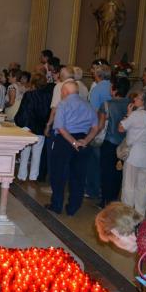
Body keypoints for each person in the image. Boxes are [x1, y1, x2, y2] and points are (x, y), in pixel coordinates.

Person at [46, 81, 99, 216]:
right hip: (83, 140)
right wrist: (85, 140)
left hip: (65, 142)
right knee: (78, 176)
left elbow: (60, 127)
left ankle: (56, 205)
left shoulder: (63, 104)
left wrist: (73, 142)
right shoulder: (88, 105)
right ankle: (73, 208)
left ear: (64, 92)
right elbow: (95, 127)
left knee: (58, 175)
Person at [119, 89, 146, 216]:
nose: (135, 98)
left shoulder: (136, 115)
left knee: (128, 186)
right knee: (142, 188)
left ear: (144, 102)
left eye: (138, 97)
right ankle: (140, 217)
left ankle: (127, 217)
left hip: (134, 155)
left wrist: (128, 114)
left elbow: (120, 128)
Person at [97, 77, 130, 208]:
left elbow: (100, 126)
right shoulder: (131, 104)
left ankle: (105, 201)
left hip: (109, 142)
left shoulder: (106, 104)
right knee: (119, 172)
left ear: (114, 89)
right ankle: (114, 200)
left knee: (106, 172)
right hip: (124, 144)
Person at [14, 73, 52, 183]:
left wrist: (22, 124)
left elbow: (24, 111)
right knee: (37, 154)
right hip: (41, 127)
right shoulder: (49, 96)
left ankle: (22, 175)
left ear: (33, 83)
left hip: (29, 126)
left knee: (25, 152)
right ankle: (33, 177)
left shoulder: (29, 95)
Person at [85, 63, 113, 200]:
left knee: (93, 161)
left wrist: (89, 132)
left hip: (98, 127)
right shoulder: (111, 87)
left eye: (94, 72)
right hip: (111, 129)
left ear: (98, 75)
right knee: (105, 161)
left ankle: (92, 190)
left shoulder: (97, 90)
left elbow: (93, 112)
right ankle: (104, 188)